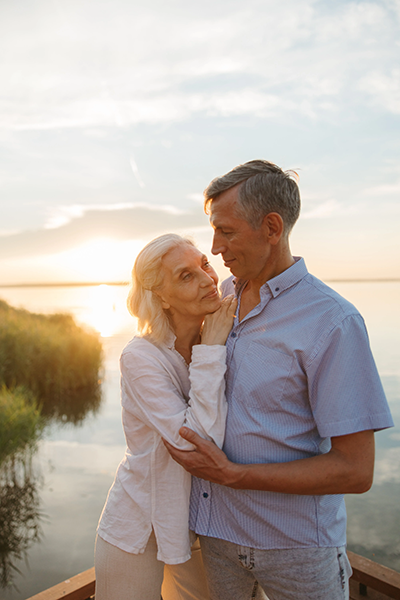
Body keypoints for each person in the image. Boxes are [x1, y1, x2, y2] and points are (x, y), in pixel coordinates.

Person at [165, 160, 395, 600]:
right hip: (214, 537)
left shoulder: (333, 322)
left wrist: (234, 475)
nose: (215, 248)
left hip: (297, 551)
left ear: (272, 227)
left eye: (226, 231)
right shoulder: (219, 299)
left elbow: (355, 469)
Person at [95, 233, 237, 600]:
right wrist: (211, 349)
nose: (208, 279)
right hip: (138, 524)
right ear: (159, 295)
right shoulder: (141, 357)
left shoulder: (224, 331)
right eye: (185, 276)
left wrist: (214, 344)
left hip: (205, 521)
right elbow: (195, 444)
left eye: (205, 264)